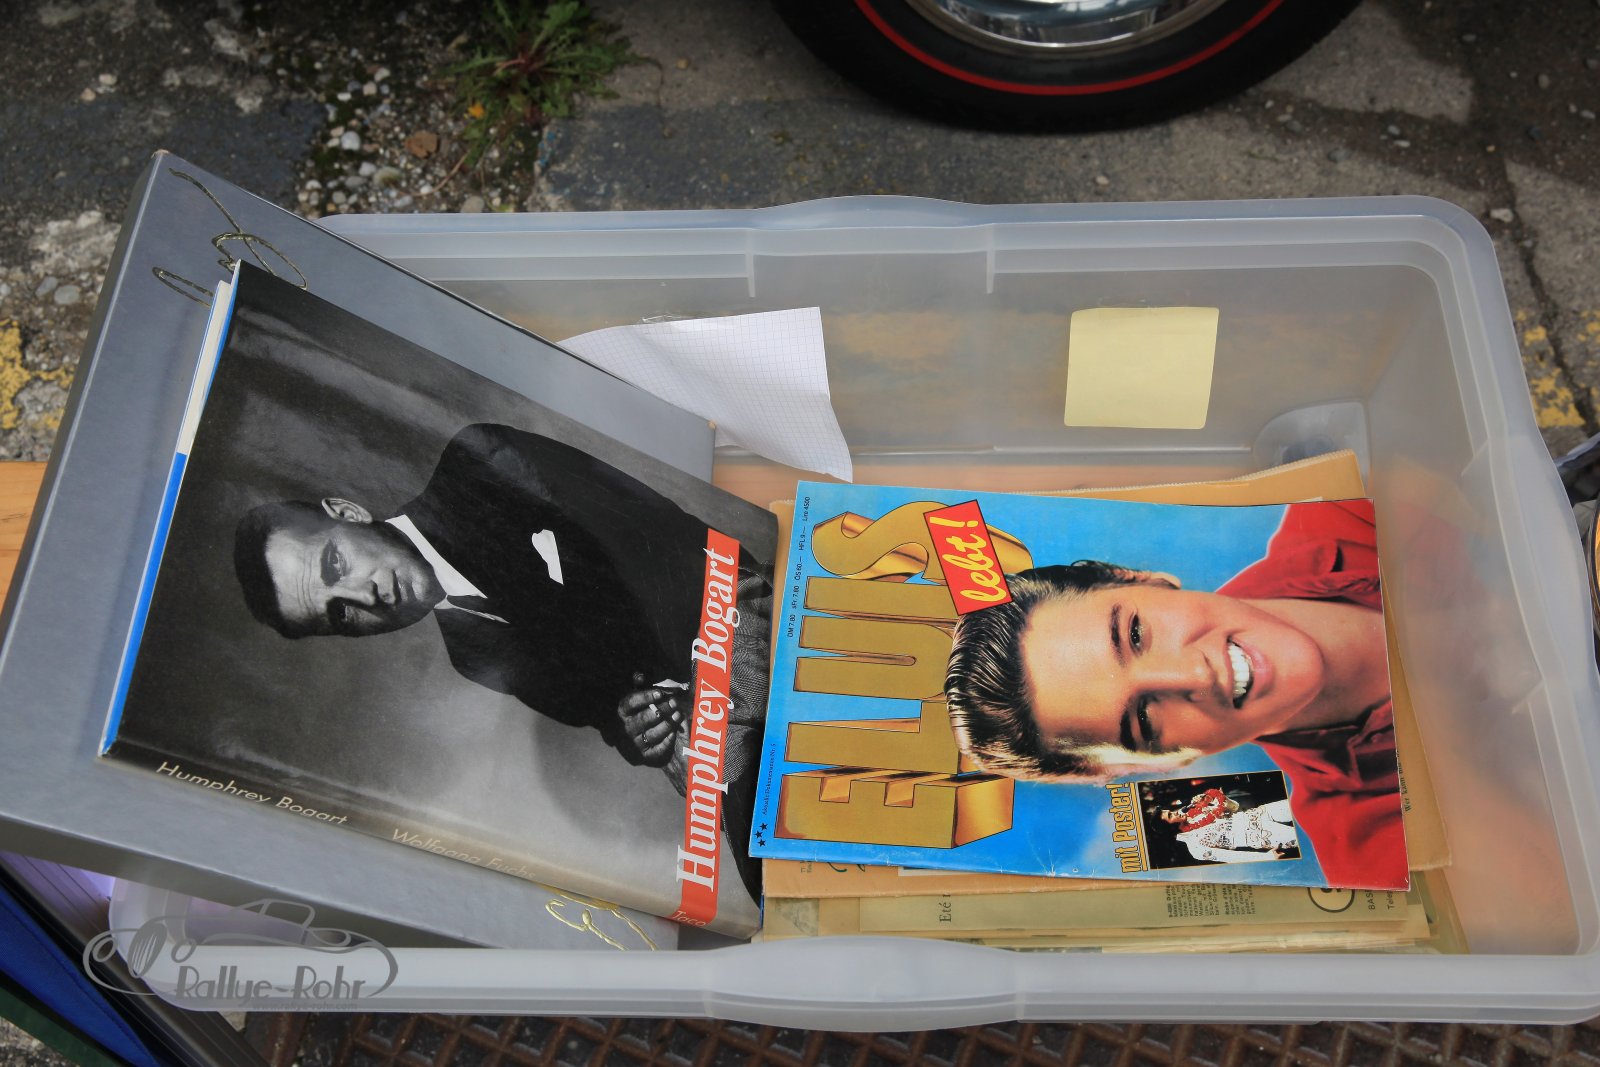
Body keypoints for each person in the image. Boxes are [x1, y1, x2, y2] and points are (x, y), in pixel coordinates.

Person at [233, 422, 771, 896]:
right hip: (696, 717)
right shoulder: (470, 653)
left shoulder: (478, 462)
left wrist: (683, 693)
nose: (363, 596)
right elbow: (605, 714)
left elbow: (659, 542)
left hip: (725, 603)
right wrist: (639, 731)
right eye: (339, 614)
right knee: (756, 844)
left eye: (335, 564)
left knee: (756, 822)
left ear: (347, 514)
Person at [945, 500, 1403, 888]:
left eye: (1135, 633)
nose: (1196, 675)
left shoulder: (1348, 495)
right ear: (1153, 766)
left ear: (1140, 578)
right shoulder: (1377, 859)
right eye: (1143, 721)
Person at [1166, 799, 1299, 864]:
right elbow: (1231, 857)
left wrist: (1215, 800)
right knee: (1306, 836)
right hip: (1261, 835)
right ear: (1166, 827)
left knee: (1301, 804)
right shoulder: (1195, 849)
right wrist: (1266, 857)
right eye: (1170, 816)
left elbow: (1235, 807)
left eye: (1170, 811)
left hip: (1260, 813)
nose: (1174, 812)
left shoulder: (1195, 811)